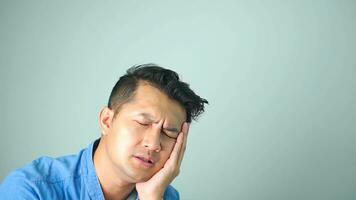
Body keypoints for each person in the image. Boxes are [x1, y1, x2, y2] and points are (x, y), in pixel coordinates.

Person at [0, 63, 208, 200]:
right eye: (143, 123)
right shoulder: (32, 189)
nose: (153, 144)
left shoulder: (162, 195)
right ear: (107, 121)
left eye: (169, 133)